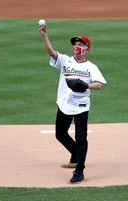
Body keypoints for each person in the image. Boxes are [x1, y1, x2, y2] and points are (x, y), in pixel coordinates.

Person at [39, 23, 107, 184]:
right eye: (75, 44)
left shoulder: (91, 67)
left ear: (87, 49)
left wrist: (86, 85)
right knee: (60, 134)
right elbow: (51, 51)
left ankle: (79, 171)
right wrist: (44, 36)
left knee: (81, 138)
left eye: (80, 44)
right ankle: (76, 153)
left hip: (81, 106)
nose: (76, 46)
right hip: (64, 103)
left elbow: (100, 84)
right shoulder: (65, 61)